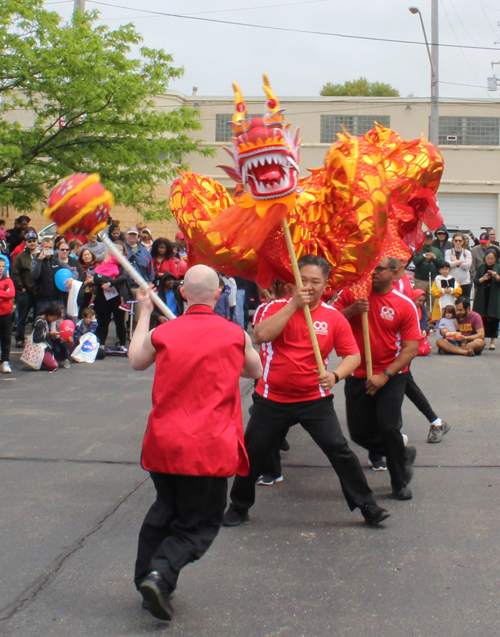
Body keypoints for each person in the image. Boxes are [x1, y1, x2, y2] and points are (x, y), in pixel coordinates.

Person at [128, 265, 262, 621]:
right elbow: (255, 371)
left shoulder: (164, 332)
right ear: (218, 294)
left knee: (166, 509)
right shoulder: (234, 334)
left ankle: (149, 579)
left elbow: (136, 360)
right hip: (208, 444)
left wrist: (144, 315)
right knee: (199, 523)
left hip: (165, 441)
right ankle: (159, 573)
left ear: (183, 293)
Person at [223, 254, 390, 528]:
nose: (310, 286)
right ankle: (239, 506)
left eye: (317, 281)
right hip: (272, 398)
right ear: (294, 281)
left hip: (314, 399)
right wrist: (293, 306)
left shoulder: (333, 317)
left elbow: (353, 356)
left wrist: (335, 375)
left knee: (340, 451)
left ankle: (367, 505)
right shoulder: (273, 308)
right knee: (253, 453)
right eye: (304, 280)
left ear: (326, 285)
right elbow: (260, 335)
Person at [335, 257, 420, 501]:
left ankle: (398, 482)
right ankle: (402, 455)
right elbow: (328, 320)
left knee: (387, 426)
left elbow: (410, 348)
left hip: (390, 374)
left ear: (394, 273)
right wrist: (352, 310)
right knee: (359, 432)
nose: (373, 273)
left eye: (379, 269)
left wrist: (385, 375)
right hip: (356, 373)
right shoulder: (352, 295)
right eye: (369, 268)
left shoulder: (404, 304)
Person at [93, 242, 129, 352]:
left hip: (118, 295)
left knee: (120, 321)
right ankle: (101, 343)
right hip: (103, 295)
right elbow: (96, 277)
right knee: (103, 320)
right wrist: (104, 284)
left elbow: (124, 277)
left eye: (121, 250)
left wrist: (110, 283)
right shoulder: (105, 262)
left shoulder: (123, 264)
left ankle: (122, 343)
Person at [11, 230, 38, 347]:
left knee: (37, 318)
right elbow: (15, 272)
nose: (32, 243)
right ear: (26, 242)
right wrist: (20, 287)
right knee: (22, 317)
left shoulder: (40, 256)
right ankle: (19, 338)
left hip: (38, 292)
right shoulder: (21, 257)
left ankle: (34, 339)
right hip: (25, 292)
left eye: (34, 240)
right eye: (29, 241)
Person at [125, 227, 154, 326]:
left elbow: (150, 269)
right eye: (130, 234)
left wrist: (149, 284)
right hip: (124, 288)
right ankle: (122, 338)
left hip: (140, 288)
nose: (132, 236)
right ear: (126, 235)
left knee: (138, 317)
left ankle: (136, 336)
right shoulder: (121, 249)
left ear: (138, 236)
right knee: (124, 318)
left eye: (135, 234)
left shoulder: (144, 251)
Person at [31, 237, 67, 315]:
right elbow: (34, 275)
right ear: (41, 248)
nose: (47, 249)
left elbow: (71, 270)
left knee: (58, 323)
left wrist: (70, 279)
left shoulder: (56, 260)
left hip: (57, 298)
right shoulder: (35, 260)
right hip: (43, 300)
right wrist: (40, 260)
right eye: (45, 247)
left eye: (50, 247)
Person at [473, 249, 500, 350]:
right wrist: (483, 279)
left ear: (495, 259)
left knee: (493, 318)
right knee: (481, 318)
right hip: (482, 296)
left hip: (494, 296)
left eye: (492, 259)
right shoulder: (481, 268)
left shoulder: (498, 267)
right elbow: (476, 281)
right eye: (488, 258)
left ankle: (493, 340)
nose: (490, 261)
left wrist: (496, 276)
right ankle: (482, 339)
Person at [32, 302, 71, 371]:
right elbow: (36, 338)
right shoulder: (41, 322)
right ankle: (44, 361)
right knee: (53, 366)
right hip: (42, 347)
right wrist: (50, 334)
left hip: (48, 344)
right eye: (53, 318)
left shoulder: (49, 321)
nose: (54, 320)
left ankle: (58, 358)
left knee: (65, 343)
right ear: (48, 315)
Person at [444, 233, 472, 299]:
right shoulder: (448, 252)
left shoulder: (467, 252)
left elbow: (467, 265)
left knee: (465, 301)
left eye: (460, 241)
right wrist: (461, 261)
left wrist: (455, 260)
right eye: (456, 240)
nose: (458, 242)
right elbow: (448, 265)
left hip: (465, 282)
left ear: (463, 242)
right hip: (452, 281)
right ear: (453, 241)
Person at [0, 256, 15, 373]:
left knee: (6, 338)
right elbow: (7, 295)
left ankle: (5, 361)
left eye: (2, 266)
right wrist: (4, 294)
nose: (0, 268)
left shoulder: (8, 280)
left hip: (5, 314)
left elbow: (12, 294)